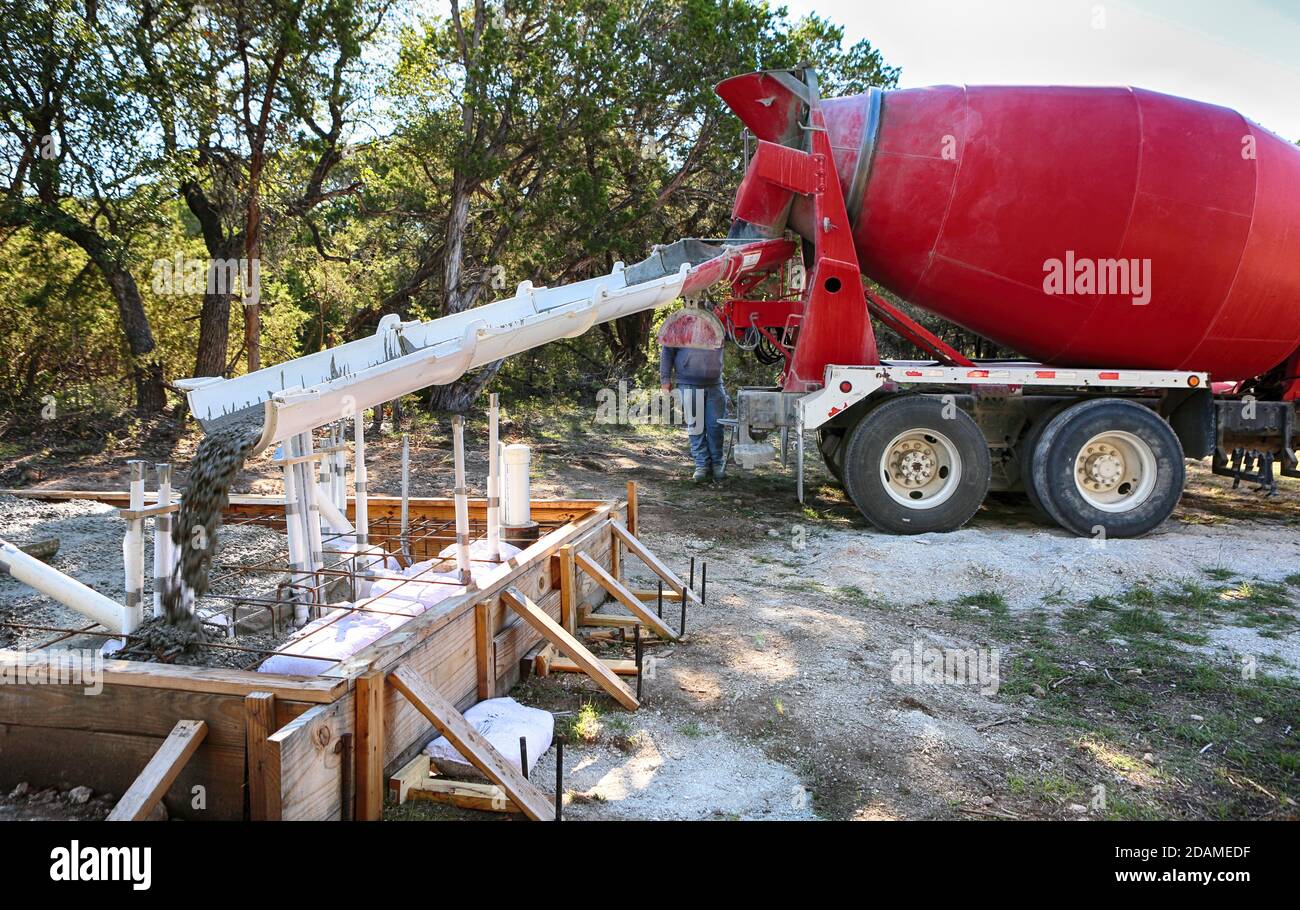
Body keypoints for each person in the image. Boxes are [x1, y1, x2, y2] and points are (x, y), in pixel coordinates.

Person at [660, 342, 727, 482]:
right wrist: (665, 379)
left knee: (716, 425)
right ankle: (701, 465)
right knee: (696, 426)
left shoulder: (717, 321)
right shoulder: (680, 323)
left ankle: (717, 463)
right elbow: (667, 349)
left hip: (715, 383)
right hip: (688, 382)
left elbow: (737, 333)